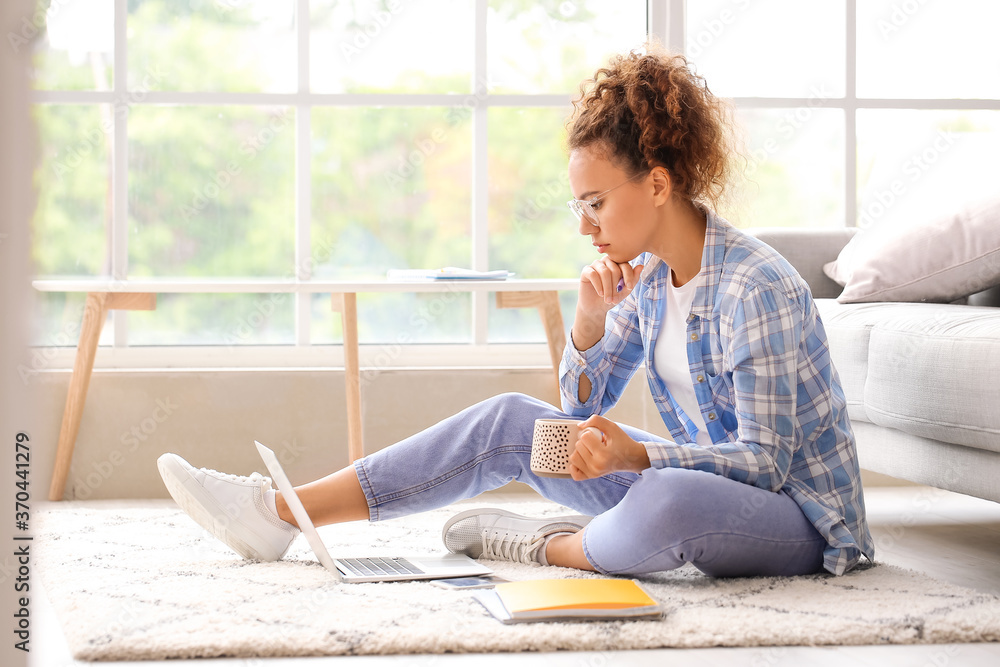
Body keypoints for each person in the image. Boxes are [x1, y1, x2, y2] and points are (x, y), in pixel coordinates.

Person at [158, 46, 874, 578]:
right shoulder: (650, 281)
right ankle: (282, 510)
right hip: (684, 480)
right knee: (512, 423)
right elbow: (574, 409)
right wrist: (590, 325)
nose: (586, 225)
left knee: (667, 500)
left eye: (596, 203)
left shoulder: (756, 288)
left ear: (657, 184)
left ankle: (547, 544)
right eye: (579, 206)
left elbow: (765, 461)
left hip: (797, 518)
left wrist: (638, 453)